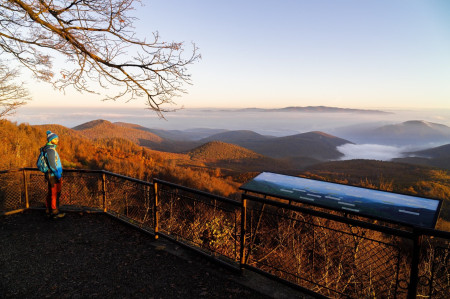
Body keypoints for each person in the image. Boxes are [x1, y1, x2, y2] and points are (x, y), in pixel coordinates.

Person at [43, 130, 65, 219]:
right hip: (53, 176)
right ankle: (55, 213)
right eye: (55, 139)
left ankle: (48, 210)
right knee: (54, 194)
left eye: (57, 139)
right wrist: (58, 175)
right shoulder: (50, 150)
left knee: (51, 193)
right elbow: (52, 165)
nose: (57, 140)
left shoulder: (48, 149)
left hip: (51, 175)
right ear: (50, 140)